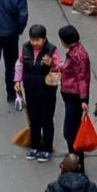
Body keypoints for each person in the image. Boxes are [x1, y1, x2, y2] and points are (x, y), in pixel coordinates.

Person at [14, 24, 60, 161]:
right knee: (34, 119)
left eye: (37, 40)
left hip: (47, 91)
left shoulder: (52, 50)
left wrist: (52, 63)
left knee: (46, 119)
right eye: (32, 40)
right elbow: (20, 64)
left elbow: (60, 67)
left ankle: (46, 148)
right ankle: (34, 146)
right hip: (30, 89)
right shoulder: (25, 48)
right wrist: (17, 80)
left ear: (44, 39)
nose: (34, 43)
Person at [57, 25, 91, 158]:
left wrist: (83, 100)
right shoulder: (75, 52)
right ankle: (74, 155)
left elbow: (82, 78)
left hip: (74, 98)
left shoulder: (77, 55)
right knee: (72, 130)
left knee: (70, 132)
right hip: (71, 97)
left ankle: (75, 159)